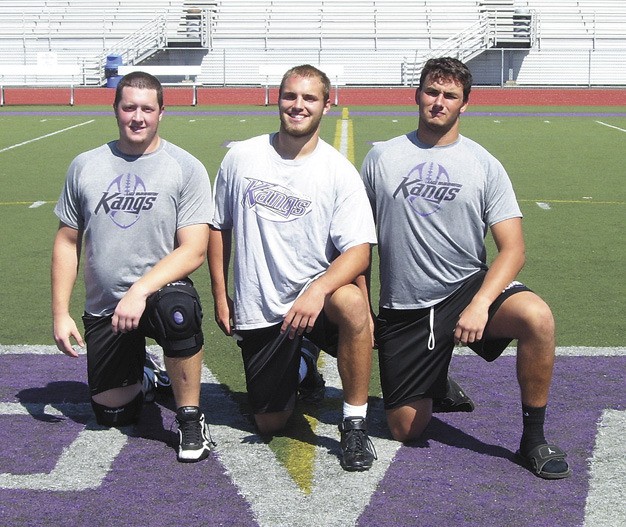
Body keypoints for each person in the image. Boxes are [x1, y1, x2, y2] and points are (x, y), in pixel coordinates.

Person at [360, 57, 571, 479]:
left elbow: (513, 249)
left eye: (450, 96)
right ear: (417, 95)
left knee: (537, 318)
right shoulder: (381, 158)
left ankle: (533, 438)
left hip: (467, 290)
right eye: (432, 92)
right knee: (405, 429)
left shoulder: (484, 163)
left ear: (464, 104)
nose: (439, 102)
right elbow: (359, 242)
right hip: (407, 307)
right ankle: (437, 379)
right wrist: (366, 309)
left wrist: (480, 304)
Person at [208, 64, 377, 471]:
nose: (298, 106)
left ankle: (354, 424)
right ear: (278, 98)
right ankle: (304, 367)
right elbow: (219, 226)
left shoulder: (339, 172)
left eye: (309, 98)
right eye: (290, 96)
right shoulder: (242, 157)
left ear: (326, 105)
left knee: (353, 303)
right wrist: (219, 293)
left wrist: (317, 291)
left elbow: (359, 253)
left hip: (317, 302)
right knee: (270, 422)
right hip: (262, 306)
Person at [51, 71, 214, 463]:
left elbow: (193, 250)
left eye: (146, 108)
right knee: (113, 415)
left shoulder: (184, 167)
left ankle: (190, 418)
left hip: (158, 295)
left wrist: (140, 290)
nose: (137, 117)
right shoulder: (85, 165)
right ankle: (143, 373)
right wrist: (60, 313)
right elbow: (67, 241)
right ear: (116, 109)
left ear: (161, 112)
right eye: (129, 107)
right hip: (106, 308)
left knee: (180, 312)